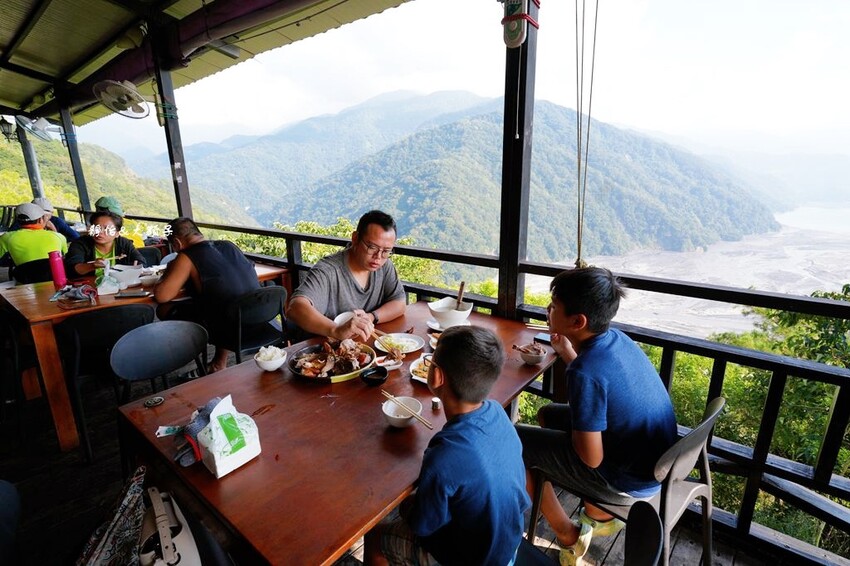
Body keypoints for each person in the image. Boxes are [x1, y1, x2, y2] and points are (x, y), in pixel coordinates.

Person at [515, 267, 677, 566]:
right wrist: (566, 351)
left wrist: (573, 435)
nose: (547, 310)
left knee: (516, 443)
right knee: (548, 414)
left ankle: (567, 534)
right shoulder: (617, 339)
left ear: (578, 321)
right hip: (653, 463)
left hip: (628, 483)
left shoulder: (585, 372)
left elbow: (590, 458)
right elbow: (599, 384)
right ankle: (598, 512)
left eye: (554, 306)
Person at [364, 325, 530, 566]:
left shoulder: (445, 453)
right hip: (507, 545)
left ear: (437, 376)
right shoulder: (496, 412)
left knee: (375, 535)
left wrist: (408, 506)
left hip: (473, 559)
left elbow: (423, 525)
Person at [154, 217, 260, 372]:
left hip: (227, 324)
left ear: (176, 243)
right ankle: (219, 362)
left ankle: (189, 356)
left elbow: (162, 296)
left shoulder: (186, 256)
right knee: (220, 301)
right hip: (258, 316)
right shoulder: (229, 245)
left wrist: (169, 270)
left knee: (163, 309)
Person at [286, 210, 406, 342]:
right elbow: (295, 308)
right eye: (372, 247)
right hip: (321, 350)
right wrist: (336, 330)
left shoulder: (384, 266)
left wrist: (370, 317)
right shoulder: (328, 270)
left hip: (363, 346)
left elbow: (399, 303)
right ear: (355, 238)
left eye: (386, 251)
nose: (378, 257)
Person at [64, 210, 145, 277]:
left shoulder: (123, 243)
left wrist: (135, 269)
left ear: (117, 233)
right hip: (89, 288)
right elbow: (72, 269)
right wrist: (91, 266)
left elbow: (140, 261)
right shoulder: (80, 244)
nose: (100, 232)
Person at [0, 202, 68, 266]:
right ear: (40, 220)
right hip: (54, 276)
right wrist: (53, 230)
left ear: (18, 221)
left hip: (25, 277)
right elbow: (66, 256)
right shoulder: (59, 237)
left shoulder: (7, 238)